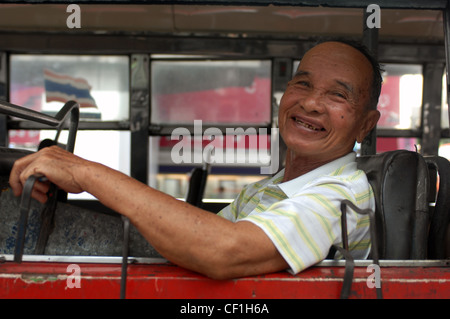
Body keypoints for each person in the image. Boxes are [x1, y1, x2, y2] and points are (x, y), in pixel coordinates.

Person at [9, 41, 381, 280]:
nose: (311, 103)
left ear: (365, 124)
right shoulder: (268, 189)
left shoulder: (343, 196)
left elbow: (221, 250)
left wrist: (86, 172)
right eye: (302, 84)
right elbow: (192, 239)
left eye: (338, 95)